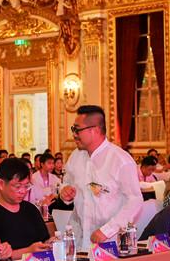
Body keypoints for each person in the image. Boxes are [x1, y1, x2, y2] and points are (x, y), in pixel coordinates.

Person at [57, 105, 142, 251]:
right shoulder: (76, 157)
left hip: (111, 243)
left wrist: (107, 230)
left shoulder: (120, 160)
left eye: (77, 130)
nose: (74, 135)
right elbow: (67, 182)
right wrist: (65, 191)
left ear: (95, 130)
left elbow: (135, 201)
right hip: (79, 242)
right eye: (73, 129)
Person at [0, 158, 52, 259]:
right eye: (17, 187)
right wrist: (28, 251)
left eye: (26, 186)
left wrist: (50, 243)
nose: (23, 191)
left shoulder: (30, 209)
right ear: (1, 184)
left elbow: (44, 239)